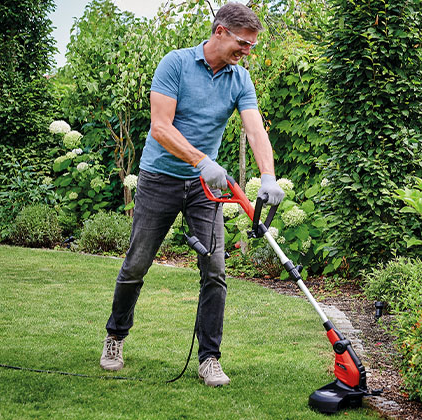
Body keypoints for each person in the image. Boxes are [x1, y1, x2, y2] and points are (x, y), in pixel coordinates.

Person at [99, 2, 284, 387]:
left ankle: (209, 359)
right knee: (136, 264)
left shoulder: (240, 79)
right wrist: (201, 160)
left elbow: (255, 130)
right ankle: (115, 336)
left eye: (251, 45)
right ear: (219, 31)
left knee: (215, 270)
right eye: (242, 43)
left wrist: (268, 176)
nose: (247, 51)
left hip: (207, 189)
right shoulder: (176, 63)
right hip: (160, 178)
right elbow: (160, 127)